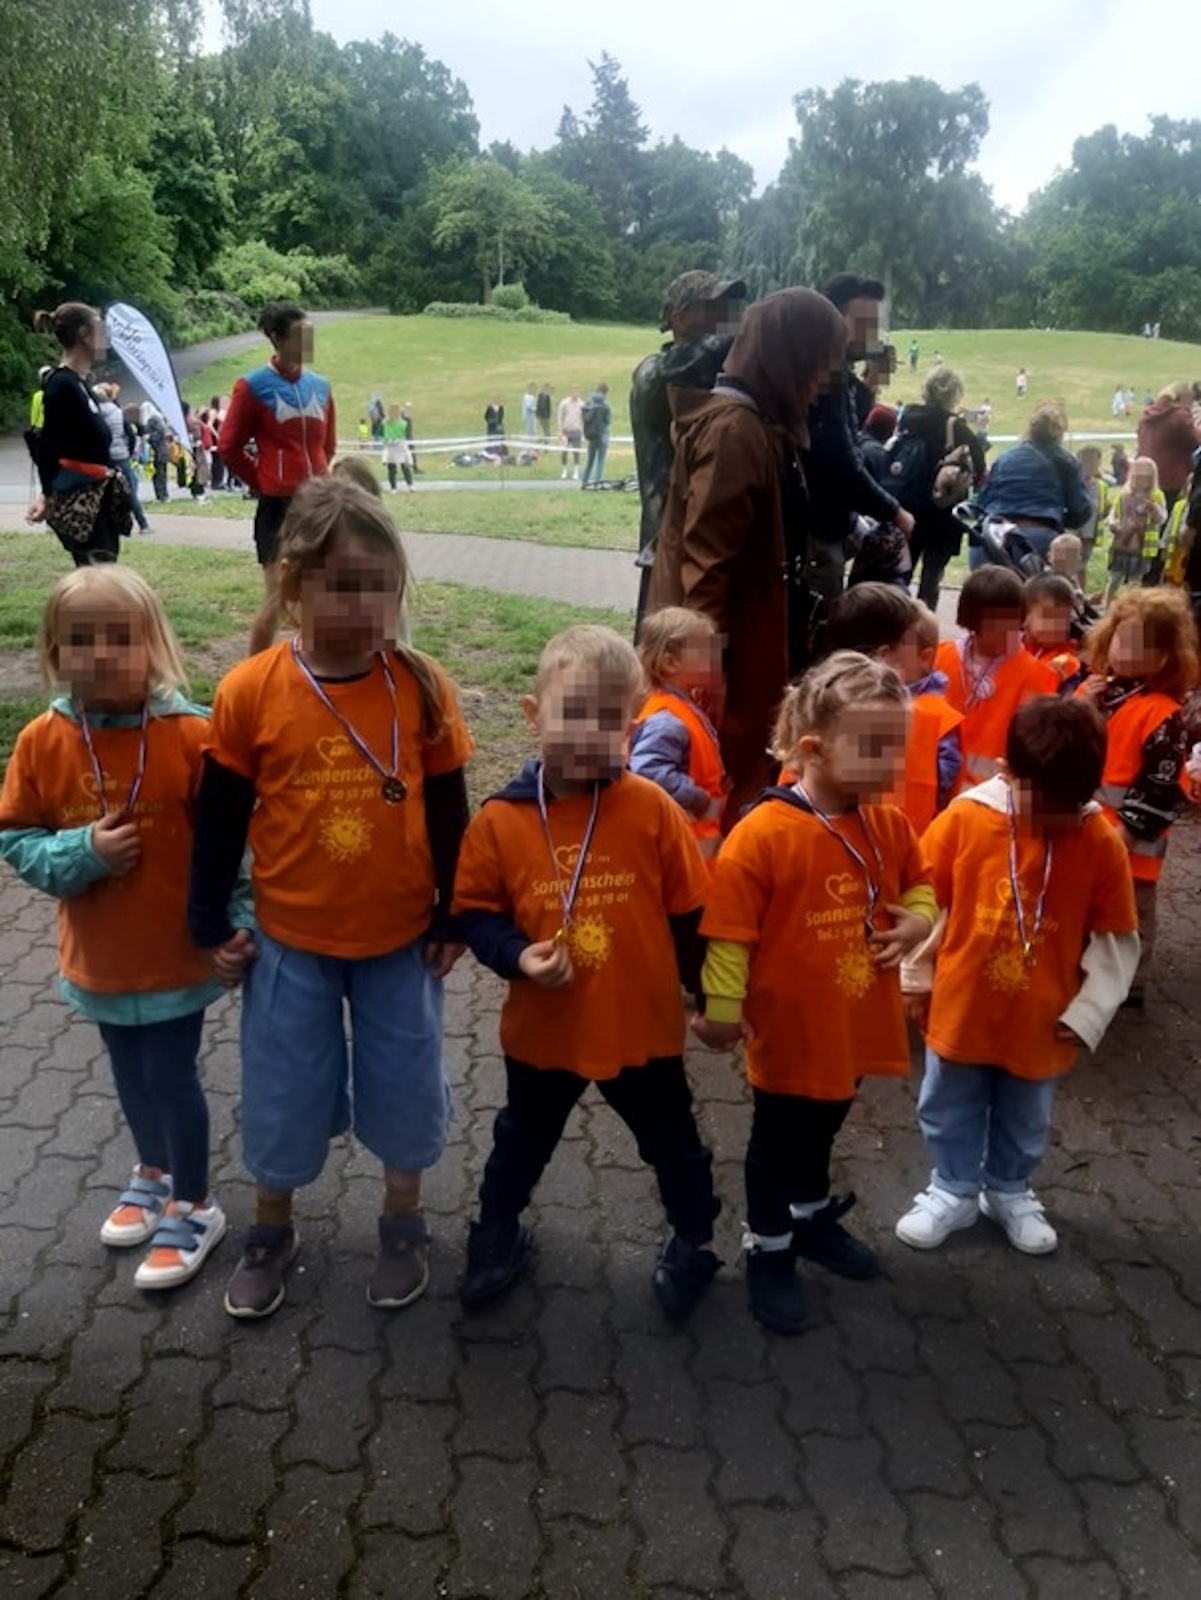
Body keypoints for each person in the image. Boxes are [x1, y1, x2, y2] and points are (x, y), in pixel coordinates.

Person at [188, 477, 473, 1319]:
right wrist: (208, 920)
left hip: (400, 940)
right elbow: (219, 820)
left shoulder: (421, 686)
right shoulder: (250, 690)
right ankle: (271, 1226)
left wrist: (455, 911)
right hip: (289, 941)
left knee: (404, 1082)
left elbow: (451, 812)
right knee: (282, 1089)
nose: (366, 607)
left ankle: (402, 1218)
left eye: (381, 587)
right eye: (345, 586)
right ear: (292, 583)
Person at [452, 625, 720, 1320]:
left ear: (631, 727)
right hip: (546, 1030)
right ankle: (496, 1229)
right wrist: (516, 956)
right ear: (532, 713)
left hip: (642, 1027)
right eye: (572, 712)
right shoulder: (500, 822)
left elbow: (693, 917)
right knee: (521, 1139)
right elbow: (475, 914)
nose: (588, 734)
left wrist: (715, 1001)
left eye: (609, 720)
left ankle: (694, 1239)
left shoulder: (652, 809)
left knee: (674, 1144)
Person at [0, 567, 240, 1290]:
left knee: (168, 1073)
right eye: (81, 639)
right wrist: (84, 853)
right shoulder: (41, 741)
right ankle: (153, 1171)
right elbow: (16, 838)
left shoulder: (193, 736)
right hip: (100, 959)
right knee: (128, 1071)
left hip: (174, 957)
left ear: (154, 645)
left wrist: (240, 923)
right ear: (54, 652)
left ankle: (194, 1203)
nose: (101, 653)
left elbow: (237, 845)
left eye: (120, 637)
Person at [695, 653, 936, 1333]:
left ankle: (807, 1218)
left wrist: (919, 921)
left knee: (823, 1129)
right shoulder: (762, 835)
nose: (892, 764)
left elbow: (921, 883)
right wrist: (720, 1015)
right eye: (874, 747)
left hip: (853, 1025)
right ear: (812, 748)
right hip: (790, 1031)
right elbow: (728, 936)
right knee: (777, 1144)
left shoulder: (887, 824)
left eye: (898, 746)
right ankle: (768, 1246)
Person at [896, 696, 1138, 1254]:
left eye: (1069, 806)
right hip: (961, 1006)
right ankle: (953, 1188)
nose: (1055, 818)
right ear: (1008, 773)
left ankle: (1008, 1189)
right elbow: (923, 903)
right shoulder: (965, 819)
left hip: (1042, 1018)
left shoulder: (1099, 842)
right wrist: (915, 976)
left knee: (1026, 1113)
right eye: (1042, 803)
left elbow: (1116, 938)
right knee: (947, 1102)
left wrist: (1090, 1012)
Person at [647, 287, 849, 823]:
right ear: (786, 355)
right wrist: (703, 675)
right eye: (815, 364)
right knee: (719, 784)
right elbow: (705, 567)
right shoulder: (735, 431)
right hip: (721, 661)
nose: (820, 382)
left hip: (737, 649)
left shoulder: (756, 424)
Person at [1079, 587, 1198, 1005]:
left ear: (1164, 657)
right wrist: (1084, 704)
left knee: (1131, 913)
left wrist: (1128, 832)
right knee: (1089, 906)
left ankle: (1131, 982)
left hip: (1134, 843)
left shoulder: (1163, 714)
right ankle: (1087, 971)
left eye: (1139, 644)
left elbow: (1160, 785)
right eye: (1120, 638)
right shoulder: (1098, 692)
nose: (1123, 649)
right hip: (1090, 828)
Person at [218, 302, 337, 656]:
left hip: (317, 504)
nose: (308, 343)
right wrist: (263, 480)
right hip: (276, 507)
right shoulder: (253, 386)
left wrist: (319, 479)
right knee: (276, 599)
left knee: (319, 595)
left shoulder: (321, 386)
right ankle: (253, 674)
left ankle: (318, 670)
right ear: (277, 338)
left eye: (310, 334)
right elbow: (228, 447)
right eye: (300, 336)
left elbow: (328, 444)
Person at [630, 270, 746, 625]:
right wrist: (750, 332)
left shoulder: (718, 376)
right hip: (667, 547)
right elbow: (687, 362)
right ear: (679, 317)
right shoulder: (653, 373)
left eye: (730, 307)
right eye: (713, 307)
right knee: (666, 646)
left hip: (710, 547)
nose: (727, 316)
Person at [804, 274, 915, 605]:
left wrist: (869, 385)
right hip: (817, 532)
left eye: (875, 325)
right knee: (823, 624)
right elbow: (841, 460)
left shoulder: (835, 373)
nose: (872, 334)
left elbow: (849, 436)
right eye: (864, 324)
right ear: (833, 320)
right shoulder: (826, 374)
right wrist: (894, 511)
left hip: (829, 525)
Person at [824, 584, 962, 832]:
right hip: (897, 846)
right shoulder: (925, 719)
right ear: (883, 656)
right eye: (907, 642)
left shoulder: (813, 709)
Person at [27, 302, 130, 564]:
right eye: (102, 329)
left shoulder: (78, 384)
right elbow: (49, 446)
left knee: (102, 575)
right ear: (85, 335)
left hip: (97, 501)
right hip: (82, 505)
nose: (107, 338)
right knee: (98, 579)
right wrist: (48, 495)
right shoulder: (62, 385)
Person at [936, 567, 1058, 788]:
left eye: (1012, 622)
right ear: (972, 621)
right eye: (995, 624)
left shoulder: (1037, 676)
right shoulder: (938, 658)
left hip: (992, 796)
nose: (1007, 632)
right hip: (935, 789)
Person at [629, 606, 728, 859]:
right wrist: (699, 799)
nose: (714, 659)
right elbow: (648, 772)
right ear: (670, 663)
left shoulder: (682, 707)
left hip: (694, 847)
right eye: (705, 652)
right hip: (681, 851)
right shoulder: (667, 721)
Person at [885, 365, 985, 609]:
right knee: (930, 581)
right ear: (953, 393)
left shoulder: (908, 419)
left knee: (899, 576)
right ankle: (923, 626)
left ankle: (896, 621)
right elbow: (980, 468)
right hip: (942, 516)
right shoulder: (956, 427)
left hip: (907, 509)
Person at [975, 400, 1093, 564]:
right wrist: (1057, 517)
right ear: (1060, 432)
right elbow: (1081, 511)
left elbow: (981, 501)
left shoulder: (1005, 457)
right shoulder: (1065, 461)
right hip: (1036, 542)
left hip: (989, 539)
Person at [1105, 456, 1167, 599]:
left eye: (1146, 477)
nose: (1142, 479)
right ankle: (1108, 605)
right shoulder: (1124, 494)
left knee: (1135, 582)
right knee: (1115, 579)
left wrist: (1154, 509)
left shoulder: (1157, 496)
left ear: (1152, 478)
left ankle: (1130, 606)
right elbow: (1113, 514)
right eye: (1138, 475)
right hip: (1122, 545)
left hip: (1142, 548)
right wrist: (1113, 524)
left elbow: (1162, 519)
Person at [95, 383, 150, 535]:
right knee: (130, 490)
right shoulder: (118, 412)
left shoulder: (94, 414)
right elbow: (130, 435)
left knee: (103, 493)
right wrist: (129, 451)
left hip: (104, 458)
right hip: (121, 455)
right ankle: (143, 523)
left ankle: (107, 527)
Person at [1137, 384, 1200, 516]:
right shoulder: (1180, 416)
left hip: (1145, 476)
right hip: (1173, 480)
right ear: (1184, 399)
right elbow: (1195, 441)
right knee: (1172, 517)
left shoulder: (1146, 416)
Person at [1022, 573, 1082, 688]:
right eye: (1048, 617)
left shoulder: (1064, 661)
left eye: (1063, 618)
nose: (1055, 626)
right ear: (1025, 616)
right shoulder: (1010, 648)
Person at [580, 382, 612, 487]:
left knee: (590, 460)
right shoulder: (605, 404)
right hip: (602, 434)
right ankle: (597, 482)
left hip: (591, 434)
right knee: (600, 460)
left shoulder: (588, 402)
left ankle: (585, 481)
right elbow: (608, 421)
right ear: (605, 392)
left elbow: (585, 417)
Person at [382, 403, 415, 492]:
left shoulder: (402, 423)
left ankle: (410, 485)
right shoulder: (386, 423)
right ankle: (393, 487)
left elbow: (403, 433)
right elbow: (385, 435)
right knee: (392, 468)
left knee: (405, 466)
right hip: (391, 445)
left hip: (400, 445)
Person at [557, 388, 584, 480]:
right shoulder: (564, 403)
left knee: (576, 452)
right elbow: (560, 417)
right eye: (573, 392)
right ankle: (564, 470)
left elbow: (584, 419)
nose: (575, 394)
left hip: (577, 431)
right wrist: (560, 430)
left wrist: (583, 432)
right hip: (566, 431)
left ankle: (576, 471)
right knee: (564, 451)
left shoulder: (582, 404)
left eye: (577, 392)